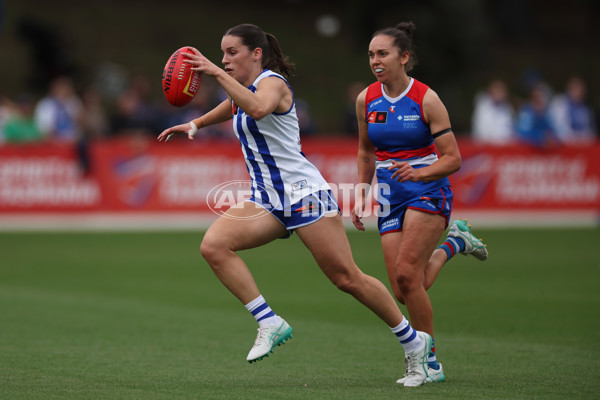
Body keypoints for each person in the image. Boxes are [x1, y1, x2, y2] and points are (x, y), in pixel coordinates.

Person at [157, 23, 432, 387]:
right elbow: (234, 106)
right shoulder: (244, 89)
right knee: (214, 245)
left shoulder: (272, 83)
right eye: (221, 54)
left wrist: (210, 71)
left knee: (347, 278)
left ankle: (416, 344)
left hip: (305, 195)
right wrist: (196, 122)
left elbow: (255, 108)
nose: (224, 60)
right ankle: (269, 321)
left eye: (231, 52)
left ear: (256, 54)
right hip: (267, 200)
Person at [351, 21, 489, 385]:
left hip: (428, 191)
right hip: (390, 195)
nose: (375, 61)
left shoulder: (426, 98)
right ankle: (455, 243)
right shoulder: (366, 99)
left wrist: (417, 171)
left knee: (408, 275)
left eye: (382, 53)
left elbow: (454, 159)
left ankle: (429, 363)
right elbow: (366, 150)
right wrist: (362, 190)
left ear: (404, 57)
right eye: (371, 55)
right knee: (402, 287)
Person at [548, 76, 596, 144]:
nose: (582, 93)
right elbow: (558, 127)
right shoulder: (560, 103)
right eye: (579, 89)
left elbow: (588, 129)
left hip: (581, 144)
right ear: (570, 89)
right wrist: (574, 139)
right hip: (564, 144)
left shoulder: (585, 108)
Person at [471, 79, 515, 144]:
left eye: (502, 91)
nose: (500, 93)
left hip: (503, 147)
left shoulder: (507, 108)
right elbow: (480, 130)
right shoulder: (482, 107)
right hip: (485, 146)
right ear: (491, 91)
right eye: (498, 90)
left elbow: (510, 129)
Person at [515, 83, 557, 148]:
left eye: (541, 97)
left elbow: (553, 131)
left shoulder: (546, 113)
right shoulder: (526, 112)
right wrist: (541, 136)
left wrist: (551, 137)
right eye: (536, 97)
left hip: (544, 153)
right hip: (526, 153)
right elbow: (522, 133)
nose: (539, 100)